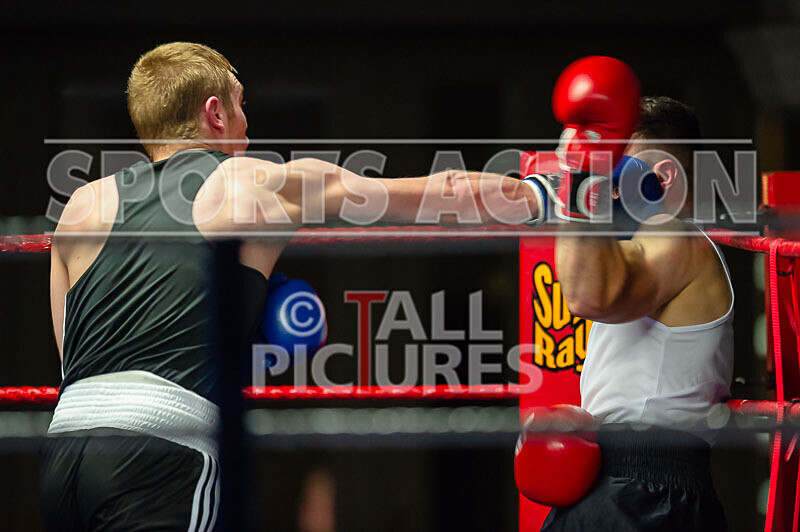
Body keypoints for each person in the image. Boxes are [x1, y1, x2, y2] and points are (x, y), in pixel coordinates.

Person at [40, 41, 542, 531]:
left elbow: (76, 358)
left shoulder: (81, 205)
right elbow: (437, 195)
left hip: (64, 452)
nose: (247, 123)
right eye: (240, 105)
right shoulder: (256, 182)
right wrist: (539, 195)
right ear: (215, 112)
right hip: (162, 451)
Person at [540, 92, 734, 530]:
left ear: (662, 177)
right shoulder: (644, 245)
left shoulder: (679, 239)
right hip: (621, 482)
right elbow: (579, 282)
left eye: (617, 164)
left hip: (648, 492)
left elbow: (589, 296)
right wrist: (579, 173)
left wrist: (581, 175)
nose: (607, 179)